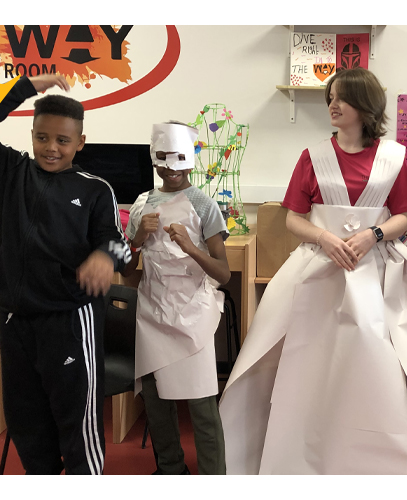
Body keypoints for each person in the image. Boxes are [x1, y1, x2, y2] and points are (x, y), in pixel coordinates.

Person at [218, 68, 407, 474]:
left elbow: (404, 216)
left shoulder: (392, 158)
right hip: (319, 269)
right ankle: (299, 456)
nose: (333, 106)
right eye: (330, 98)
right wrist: (324, 238)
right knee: (306, 363)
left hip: (373, 272)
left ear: (366, 104)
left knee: (376, 362)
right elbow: (293, 218)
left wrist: (372, 234)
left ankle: (368, 458)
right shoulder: (313, 157)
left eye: (342, 98)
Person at [0, 74, 131, 474]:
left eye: (63, 141)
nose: (51, 148)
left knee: (77, 428)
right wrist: (26, 86)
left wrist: (105, 257)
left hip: (69, 321)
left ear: (80, 143)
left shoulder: (95, 189)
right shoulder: (10, 172)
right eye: (42, 138)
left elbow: (121, 243)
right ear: (32, 135)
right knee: (28, 426)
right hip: (16, 320)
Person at [121, 121, 231, 475]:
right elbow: (127, 269)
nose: (171, 167)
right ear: (154, 160)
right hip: (152, 312)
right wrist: (137, 237)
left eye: (178, 159)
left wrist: (190, 247)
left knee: (201, 402)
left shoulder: (204, 205)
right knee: (155, 401)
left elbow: (223, 273)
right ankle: (170, 469)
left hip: (191, 314)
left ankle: (214, 476)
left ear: (191, 160)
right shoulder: (141, 204)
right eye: (163, 159)